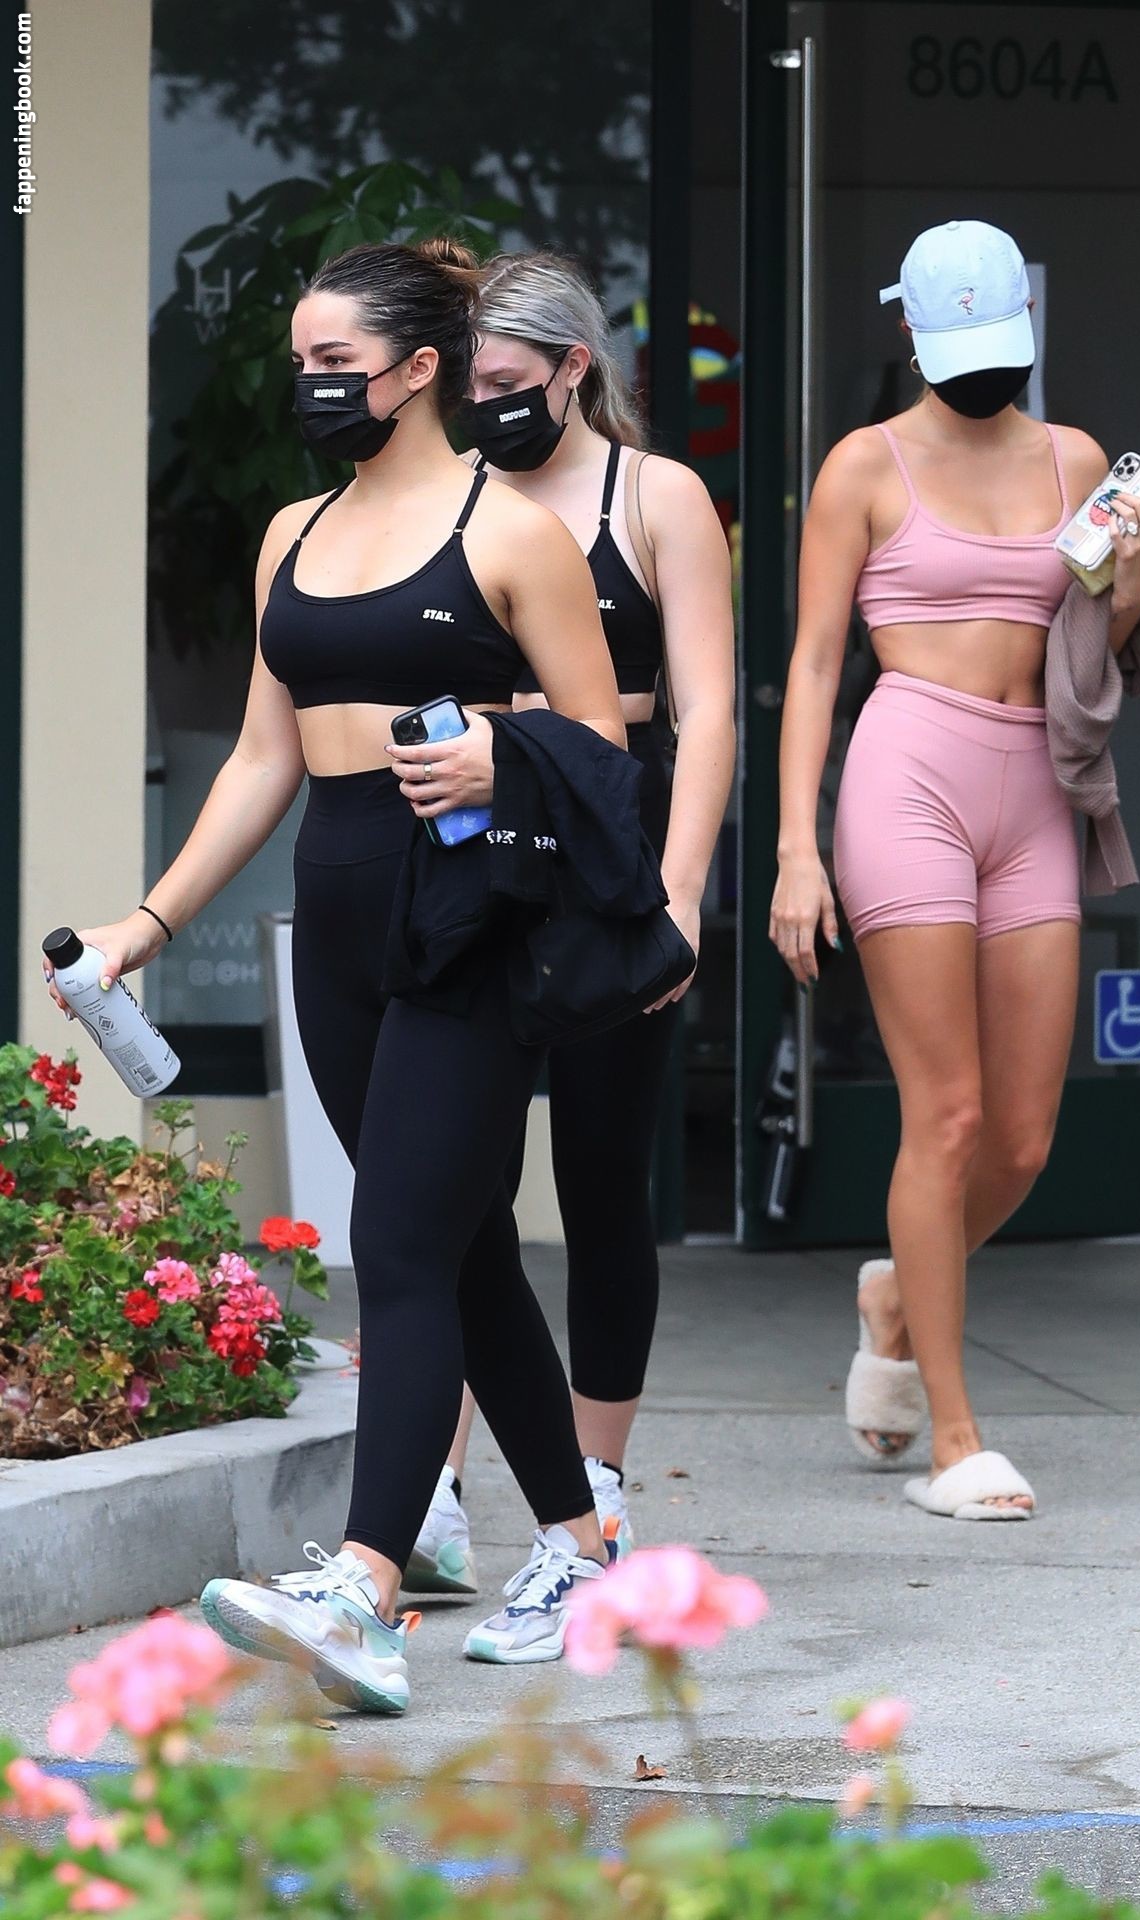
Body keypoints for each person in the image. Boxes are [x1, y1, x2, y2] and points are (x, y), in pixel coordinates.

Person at [45, 238, 638, 1707]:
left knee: (397, 1244)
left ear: (418, 370)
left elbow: (604, 752)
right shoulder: (291, 534)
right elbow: (264, 757)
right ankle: (581, 1546)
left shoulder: (514, 534)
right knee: (462, 1243)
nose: (309, 385)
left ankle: (366, 1587)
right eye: (300, 362)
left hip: (471, 911)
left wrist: (502, 755)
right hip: (340, 908)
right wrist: (147, 926)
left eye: (334, 363)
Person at [769, 220, 1140, 1521]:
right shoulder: (863, 465)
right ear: (910, 335)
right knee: (942, 1116)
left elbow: (1098, 644)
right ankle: (953, 1438)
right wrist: (794, 849)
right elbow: (815, 667)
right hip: (910, 777)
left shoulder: (1074, 459)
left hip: (1035, 785)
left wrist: (1136, 583)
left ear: (1025, 328)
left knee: (1023, 1136)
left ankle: (897, 1294)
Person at [403, 251, 735, 1599]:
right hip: (475, 835)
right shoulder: (451, 494)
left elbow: (707, 710)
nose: (483, 404)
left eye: (504, 380)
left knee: (600, 1171)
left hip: (608, 834)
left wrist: (680, 890)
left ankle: (594, 1489)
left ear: (571, 368)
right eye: (468, 382)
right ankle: (431, 1484)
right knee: (454, 1182)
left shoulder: (654, 496)